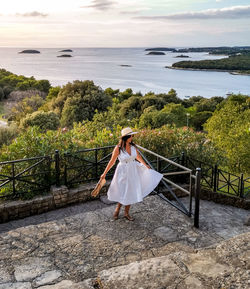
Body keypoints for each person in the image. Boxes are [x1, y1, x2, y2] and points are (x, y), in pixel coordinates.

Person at [100, 127, 163, 221]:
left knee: (130, 191)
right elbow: (111, 162)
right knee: (122, 191)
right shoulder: (118, 148)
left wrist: (146, 166)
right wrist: (104, 173)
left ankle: (126, 213)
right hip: (122, 171)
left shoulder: (133, 147)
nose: (132, 137)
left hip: (133, 170)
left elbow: (138, 157)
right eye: (131, 136)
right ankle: (117, 210)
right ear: (126, 137)